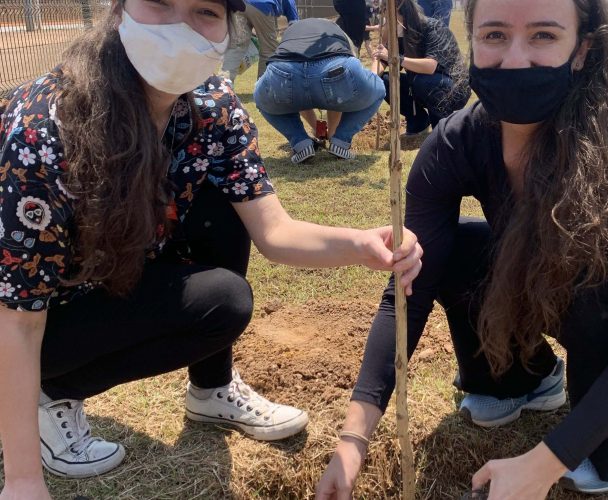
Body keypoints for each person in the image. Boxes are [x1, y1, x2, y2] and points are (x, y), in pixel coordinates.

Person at [0, 1, 423, 498]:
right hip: (36, 313)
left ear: (229, 29)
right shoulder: (44, 128)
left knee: (224, 275)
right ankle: (52, 392)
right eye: (160, 3)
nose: (181, 26)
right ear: (119, 12)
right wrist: (25, 481)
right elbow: (18, 320)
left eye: (204, 10)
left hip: (116, 269)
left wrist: (360, 243)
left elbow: (274, 231)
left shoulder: (213, 105)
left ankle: (211, 387)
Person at [316, 0, 608, 498]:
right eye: (494, 36)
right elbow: (406, 289)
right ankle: (517, 381)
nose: (514, 58)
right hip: (554, 271)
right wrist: (354, 437)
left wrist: (543, 464)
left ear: (582, 50)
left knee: (586, 266)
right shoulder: (454, 144)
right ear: (472, 41)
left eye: (544, 36)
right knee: (451, 250)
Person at [254, 18, 385, 163]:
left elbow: (301, 99)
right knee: (378, 90)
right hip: (334, 66)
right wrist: (333, 134)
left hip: (284, 71)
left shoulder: (290, 33)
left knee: (263, 100)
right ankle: (341, 141)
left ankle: (301, 143)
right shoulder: (337, 32)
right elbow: (340, 94)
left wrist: (317, 127)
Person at [371, 0, 469, 137]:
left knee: (425, 81)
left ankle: (441, 130)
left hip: (452, 88)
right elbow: (383, 59)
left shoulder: (433, 28)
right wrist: (371, 78)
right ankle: (418, 122)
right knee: (385, 80)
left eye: (385, 11)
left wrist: (395, 58)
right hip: (420, 82)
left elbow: (430, 67)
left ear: (397, 9)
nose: (383, 16)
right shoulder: (400, 33)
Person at [221, 0, 299, 82]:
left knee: (236, 48)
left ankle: (222, 86)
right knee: (268, 51)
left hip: (239, 5)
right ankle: (263, 88)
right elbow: (293, 19)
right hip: (263, 5)